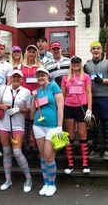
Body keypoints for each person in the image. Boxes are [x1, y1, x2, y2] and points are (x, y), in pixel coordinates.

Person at [0, 69, 32, 192]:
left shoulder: (26, 92)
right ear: (10, 78)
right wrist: (2, 106)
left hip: (18, 125)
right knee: (6, 151)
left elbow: (28, 109)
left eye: (19, 77)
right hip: (3, 124)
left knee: (17, 152)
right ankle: (8, 180)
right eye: (14, 77)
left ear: (22, 79)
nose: (16, 79)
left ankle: (28, 179)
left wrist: (18, 109)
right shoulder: (3, 89)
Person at [31, 67, 64, 197]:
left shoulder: (54, 86)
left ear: (47, 75)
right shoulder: (38, 91)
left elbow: (60, 106)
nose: (40, 78)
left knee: (49, 157)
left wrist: (59, 126)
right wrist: (32, 98)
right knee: (43, 157)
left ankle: (52, 184)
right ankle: (46, 183)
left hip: (52, 126)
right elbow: (33, 111)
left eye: (42, 75)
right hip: (38, 125)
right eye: (38, 76)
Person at [83, 41, 108, 159]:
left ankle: (106, 150)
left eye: (98, 48)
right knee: (92, 125)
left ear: (101, 50)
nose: (96, 50)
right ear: (91, 51)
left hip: (104, 97)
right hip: (91, 98)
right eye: (94, 49)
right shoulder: (87, 66)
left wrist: (102, 81)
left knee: (105, 124)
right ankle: (93, 149)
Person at [61, 56, 92, 174]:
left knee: (82, 134)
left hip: (82, 107)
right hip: (68, 107)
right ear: (71, 64)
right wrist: (61, 108)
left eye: (77, 62)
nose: (75, 64)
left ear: (80, 63)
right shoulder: (65, 78)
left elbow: (89, 93)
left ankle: (85, 163)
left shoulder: (86, 77)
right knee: (70, 136)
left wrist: (89, 109)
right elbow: (63, 93)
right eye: (73, 63)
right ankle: (70, 164)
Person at [21, 45, 41, 152]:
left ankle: (35, 146)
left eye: (34, 52)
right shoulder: (21, 66)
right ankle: (26, 145)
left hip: (36, 96)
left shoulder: (39, 66)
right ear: (26, 53)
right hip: (23, 96)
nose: (32, 54)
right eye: (30, 51)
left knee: (34, 120)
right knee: (25, 120)